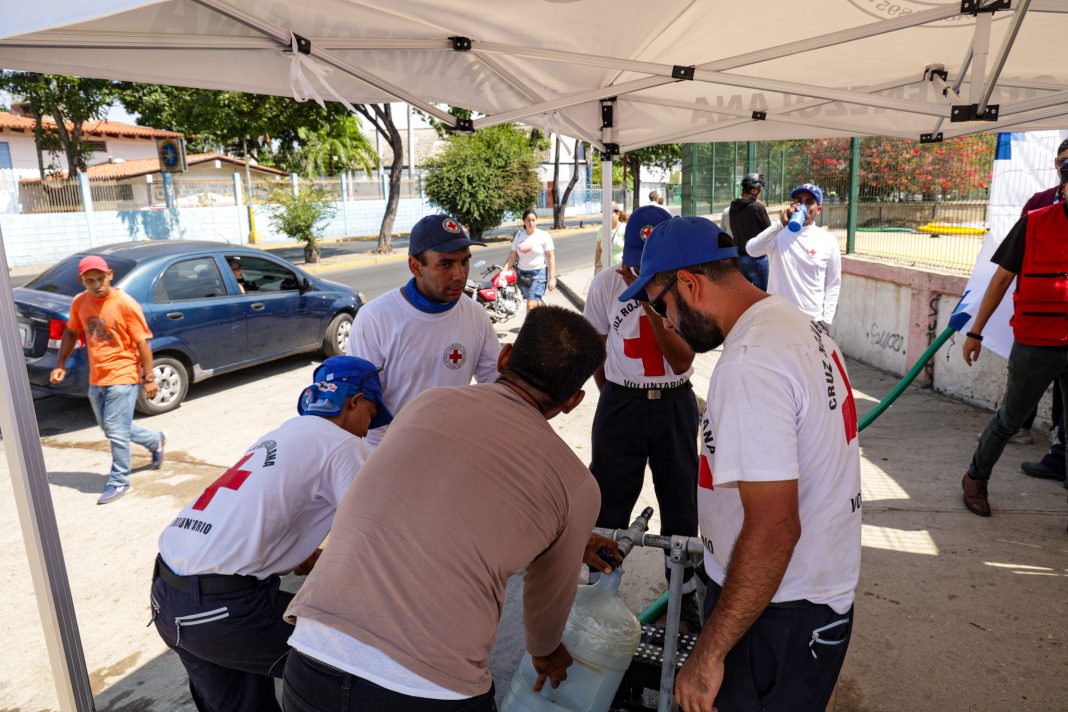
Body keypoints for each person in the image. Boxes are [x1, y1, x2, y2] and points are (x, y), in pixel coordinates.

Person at [282, 307, 618, 711]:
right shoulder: (577, 485)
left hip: (312, 656)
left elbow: (440, 502)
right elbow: (547, 600)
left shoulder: (426, 404)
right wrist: (545, 653)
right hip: (429, 688)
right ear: (574, 401)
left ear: (504, 357)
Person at [620, 217, 861, 712]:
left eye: (662, 306)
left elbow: (774, 528)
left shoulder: (750, 363)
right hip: (806, 599)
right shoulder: (795, 324)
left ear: (690, 284)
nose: (666, 322)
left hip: (776, 610)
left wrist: (708, 653)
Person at [151, 356, 389, 712]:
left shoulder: (280, 435)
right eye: (371, 414)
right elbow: (376, 536)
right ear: (354, 402)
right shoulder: (343, 444)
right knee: (364, 669)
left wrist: (304, 554)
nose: (368, 430)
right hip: (224, 610)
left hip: (169, 598)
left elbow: (261, 514)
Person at [583, 205, 703, 631]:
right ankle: (599, 591)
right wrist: (616, 395)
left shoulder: (684, 287)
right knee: (608, 502)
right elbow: (597, 349)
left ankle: (683, 598)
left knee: (681, 506)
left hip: (674, 402)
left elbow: (682, 359)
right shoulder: (604, 284)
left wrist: (650, 301)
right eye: (634, 262)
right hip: (622, 403)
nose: (638, 270)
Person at [960, 153, 1068, 516]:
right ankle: (976, 477)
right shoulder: (1033, 223)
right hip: (1036, 342)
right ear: (1063, 185)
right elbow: (1001, 280)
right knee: (1010, 418)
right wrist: (975, 332)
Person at [348, 213, 499, 451]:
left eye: (464, 261)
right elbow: (364, 403)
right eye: (446, 264)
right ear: (415, 266)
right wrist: (387, 456)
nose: (460, 274)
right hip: (392, 452)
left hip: (453, 448)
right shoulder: (375, 319)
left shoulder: (476, 315)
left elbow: (493, 381)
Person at [49, 255, 164, 505]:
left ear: (109, 275)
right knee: (111, 427)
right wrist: (60, 365)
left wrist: (149, 377)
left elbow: (143, 343)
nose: (97, 284)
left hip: (124, 373)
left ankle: (120, 480)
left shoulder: (125, 304)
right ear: (81, 280)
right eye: (90, 280)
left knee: (116, 431)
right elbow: (71, 332)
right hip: (97, 376)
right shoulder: (80, 302)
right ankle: (154, 439)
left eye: (101, 278)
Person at [1018, 138, 1068, 477]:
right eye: (1064, 162)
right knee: (1025, 386)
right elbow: (1016, 258)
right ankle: (1020, 428)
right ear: (1055, 164)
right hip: (1039, 321)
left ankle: (1058, 456)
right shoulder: (1039, 205)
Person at [745, 182, 842, 329]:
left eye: (809, 202)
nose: (802, 205)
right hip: (776, 318)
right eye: (799, 200)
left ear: (818, 209)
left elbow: (833, 283)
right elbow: (752, 250)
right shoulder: (778, 233)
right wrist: (780, 224)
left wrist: (826, 320)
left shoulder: (828, 240)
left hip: (811, 320)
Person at [500, 209, 556, 310]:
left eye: (533, 220)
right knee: (535, 303)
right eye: (528, 220)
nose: (531, 223)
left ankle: (531, 321)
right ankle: (543, 318)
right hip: (522, 275)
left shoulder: (543, 235)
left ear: (536, 221)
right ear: (524, 222)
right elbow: (512, 257)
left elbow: (550, 257)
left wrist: (552, 278)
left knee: (531, 305)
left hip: (539, 274)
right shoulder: (519, 236)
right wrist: (503, 272)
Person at [728, 172, 773, 290]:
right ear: (754, 190)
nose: (760, 193)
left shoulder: (733, 206)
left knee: (746, 294)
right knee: (764, 295)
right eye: (759, 190)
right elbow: (770, 231)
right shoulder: (757, 207)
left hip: (740, 258)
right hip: (757, 259)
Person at [593, 202, 626, 274]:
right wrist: (596, 267)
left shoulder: (625, 228)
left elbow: (630, 250)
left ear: (618, 214)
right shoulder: (601, 230)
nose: (606, 215)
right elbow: (599, 250)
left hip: (621, 271)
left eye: (609, 212)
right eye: (604, 213)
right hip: (605, 270)